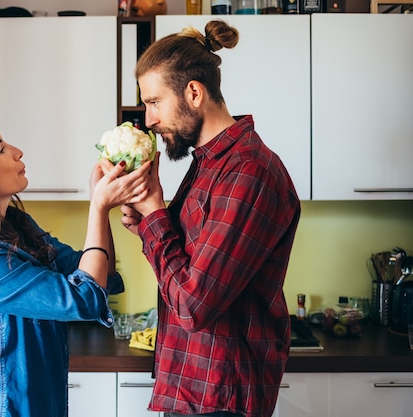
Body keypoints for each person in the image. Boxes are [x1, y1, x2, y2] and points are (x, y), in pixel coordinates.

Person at [117, 20, 301, 417]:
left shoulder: (249, 172)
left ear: (194, 93)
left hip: (223, 398)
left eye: (153, 102)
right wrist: (148, 225)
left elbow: (192, 306)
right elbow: (190, 270)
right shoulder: (208, 164)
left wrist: (154, 215)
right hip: (194, 390)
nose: (148, 119)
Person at [0, 117, 151, 417]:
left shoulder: (17, 226)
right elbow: (84, 299)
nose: (18, 152)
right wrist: (99, 207)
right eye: (1, 149)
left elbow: (98, 273)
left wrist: (100, 201)